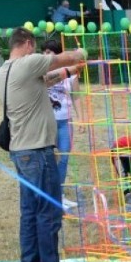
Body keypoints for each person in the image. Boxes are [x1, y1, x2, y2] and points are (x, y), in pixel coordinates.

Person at [0, 26, 87, 262]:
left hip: (22, 151)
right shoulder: (28, 62)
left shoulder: (5, 70)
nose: (35, 52)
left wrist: (69, 74)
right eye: (33, 47)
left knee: (30, 214)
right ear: (26, 44)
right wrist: (83, 52)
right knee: (48, 213)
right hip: (37, 152)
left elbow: (45, 80)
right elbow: (61, 58)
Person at [43, 37, 80, 206]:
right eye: (44, 52)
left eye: (49, 52)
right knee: (50, 158)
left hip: (65, 120)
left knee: (64, 157)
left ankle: (60, 193)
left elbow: (76, 96)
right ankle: (50, 195)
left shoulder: (70, 73)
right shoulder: (43, 72)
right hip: (48, 122)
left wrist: (81, 119)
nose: (45, 55)